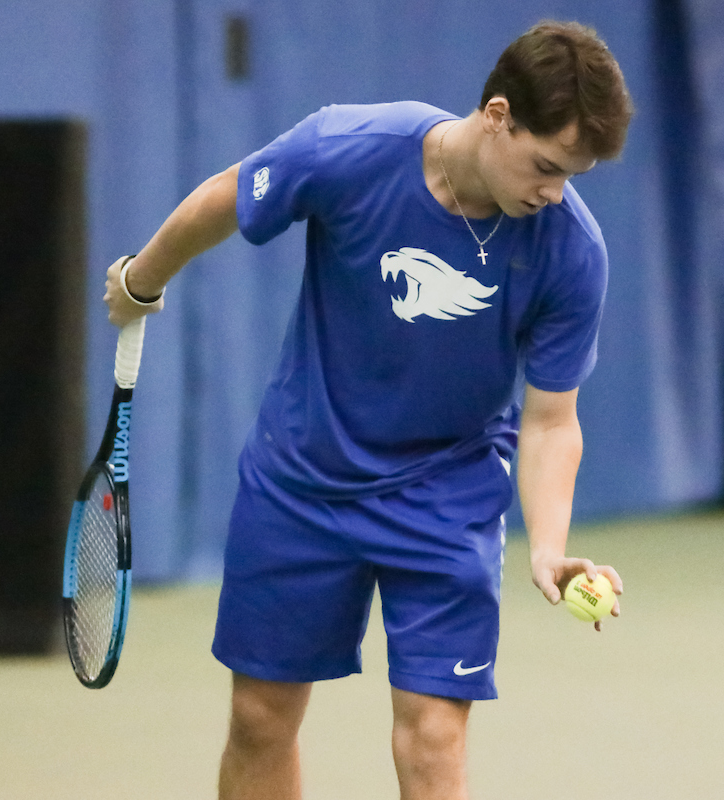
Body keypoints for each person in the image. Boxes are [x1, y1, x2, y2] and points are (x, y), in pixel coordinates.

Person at [102, 19, 634, 800]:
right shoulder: (348, 148)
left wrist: (548, 546)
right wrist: (143, 280)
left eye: (572, 176)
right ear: (496, 115)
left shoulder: (571, 248)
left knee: (434, 738)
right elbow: (228, 194)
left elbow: (553, 418)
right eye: (547, 166)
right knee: (259, 718)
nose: (555, 192)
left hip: (446, 497)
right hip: (301, 480)